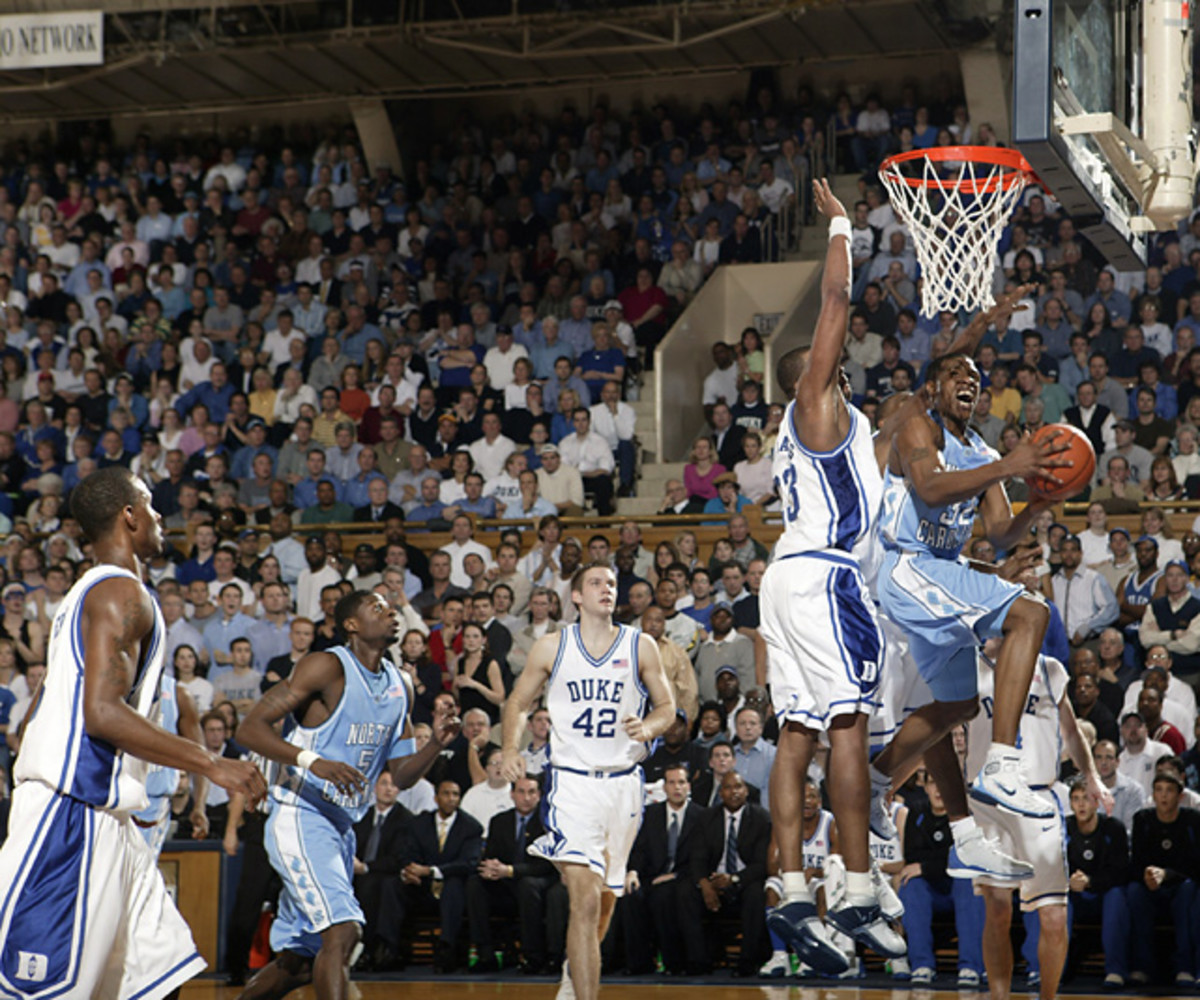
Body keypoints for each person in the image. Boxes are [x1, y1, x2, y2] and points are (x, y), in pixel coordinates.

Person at [0, 467, 265, 998]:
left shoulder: (89, 593)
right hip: (70, 813)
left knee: (156, 977)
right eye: (150, 504)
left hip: (109, 818)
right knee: (41, 989)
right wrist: (211, 762)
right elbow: (101, 712)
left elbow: (40, 716)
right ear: (128, 515)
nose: (159, 516)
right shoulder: (120, 594)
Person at [758, 179, 905, 975]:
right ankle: (853, 885)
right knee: (849, 723)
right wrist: (844, 227)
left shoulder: (832, 435)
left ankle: (788, 886)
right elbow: (836, 302)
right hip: (820, 577)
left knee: (795, 732)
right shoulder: (817, 400)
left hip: (786, 577)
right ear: (809, 377)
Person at [871, 338, 1071, 869]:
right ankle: (1003, 764)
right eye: (957, 372)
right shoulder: (919, 425)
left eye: (976, 376)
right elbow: (932, 489)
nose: (970, 379)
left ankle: (876, 781)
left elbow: (1001, 532)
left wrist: (1042, 502)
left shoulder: (983, 454)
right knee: (1031, 611)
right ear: (933, 388)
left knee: (955, 706)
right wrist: (1010, 465)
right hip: (905, 566)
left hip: (941, 574)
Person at [233, 590, 462, 1000]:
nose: (391, 612)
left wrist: (434, 745)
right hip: (301, 814)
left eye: (392, 608)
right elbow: (250, 728)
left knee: (301, 962)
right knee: (342, 931)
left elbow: (403, 776)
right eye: (377, 608)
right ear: (352, 625)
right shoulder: (326, 666)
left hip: (339, 828)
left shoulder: (401, 685)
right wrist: (311, 760)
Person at [500, 562, 675, 1000]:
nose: (606, 589)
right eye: (595, 583)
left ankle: (571, 974)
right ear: (575, 596)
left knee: (605, 899)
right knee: (584, 897)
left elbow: (667, 709)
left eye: (612, 583)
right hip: (573, 783)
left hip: (623, 785)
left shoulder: (641, 644)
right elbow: (518, 701)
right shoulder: (552, 646)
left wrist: (649, 728)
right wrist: (508, 749)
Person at [966, 641, 1111, 1000]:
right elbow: (944, 730)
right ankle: (998, 996)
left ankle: (1048, 996)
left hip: (1039, 795)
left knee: (1054, 917)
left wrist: (1091, 775)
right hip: (990, 798)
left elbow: (1071, 731)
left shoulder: (1050, 669)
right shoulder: (970, 667)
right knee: (997, 909)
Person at [622, 763, 705, 975]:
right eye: (672, 783)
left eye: (681, 782)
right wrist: (633, 871)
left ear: (688, 786)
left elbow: (701, 858)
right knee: (631, 895)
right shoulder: (650, 814)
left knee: (665, 895)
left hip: (684, 877)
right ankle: (639, 963)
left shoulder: (702, 816)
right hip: (651, 876)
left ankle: (673, 963)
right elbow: (639, 850)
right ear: (664, 787)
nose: (677, 787)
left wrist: (675, 875)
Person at [1126, 771, 1200, 986]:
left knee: (1188, 891)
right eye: (1159, 790)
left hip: (1181, 885)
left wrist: (1167, 874)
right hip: (1149, 885)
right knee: (1134, 891)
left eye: (1169, 791)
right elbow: (1137, 861)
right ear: (1153, 795)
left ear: (1180, 795)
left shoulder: (1192, 820)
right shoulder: (1143, 819)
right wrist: (1147, 875)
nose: (1164, 796)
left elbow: (1196, 866)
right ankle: (1142, 966)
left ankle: (1185, 967)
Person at [1065, 775, 1132, 988]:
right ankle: (1055, 968)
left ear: (1097, 802)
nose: (1081, 804)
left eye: (1086, 798)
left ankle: (1115, 970)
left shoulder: (1114, 827)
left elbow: (1121, 872)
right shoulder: (1063, 827)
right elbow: (1054, 865)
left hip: (1104, 893)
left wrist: (1090, 881)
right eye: (1076, 799)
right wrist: (1069, 882)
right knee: (1056, 898)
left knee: (1117, 895)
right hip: (1074, 894)